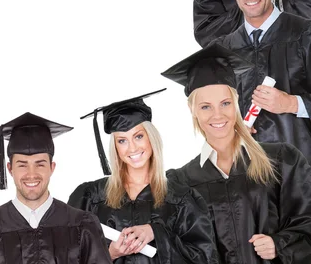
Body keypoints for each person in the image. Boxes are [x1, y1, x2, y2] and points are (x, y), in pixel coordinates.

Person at [161, 44, 311, 264]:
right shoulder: (181, 182)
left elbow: (307, 220)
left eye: (225, 103)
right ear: (191, 109)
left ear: (236, 103)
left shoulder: (282, 159)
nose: (217, 115)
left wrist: (279, 245)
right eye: (205, 107)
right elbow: (184, 251)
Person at [68, 90, 219, 263]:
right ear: (115, 147)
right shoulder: (89, 197)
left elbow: (203, 258)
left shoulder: (181, 198)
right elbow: (66, 255)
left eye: (138, 136)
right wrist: (109, 254)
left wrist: (156, 233)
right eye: (122, 140)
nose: (132, 148)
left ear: (151, 138)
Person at [195, 0, 311, 161]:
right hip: (249, 176)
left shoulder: (305, 33)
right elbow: (208, 113)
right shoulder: (223, 50)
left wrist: (291, 103)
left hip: (304, 172)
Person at [0, 112, 112, 264]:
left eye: (40, 164)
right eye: (22, 165)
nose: (31, 174)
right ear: (10, 169)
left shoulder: (83, 226)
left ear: (52, 167)